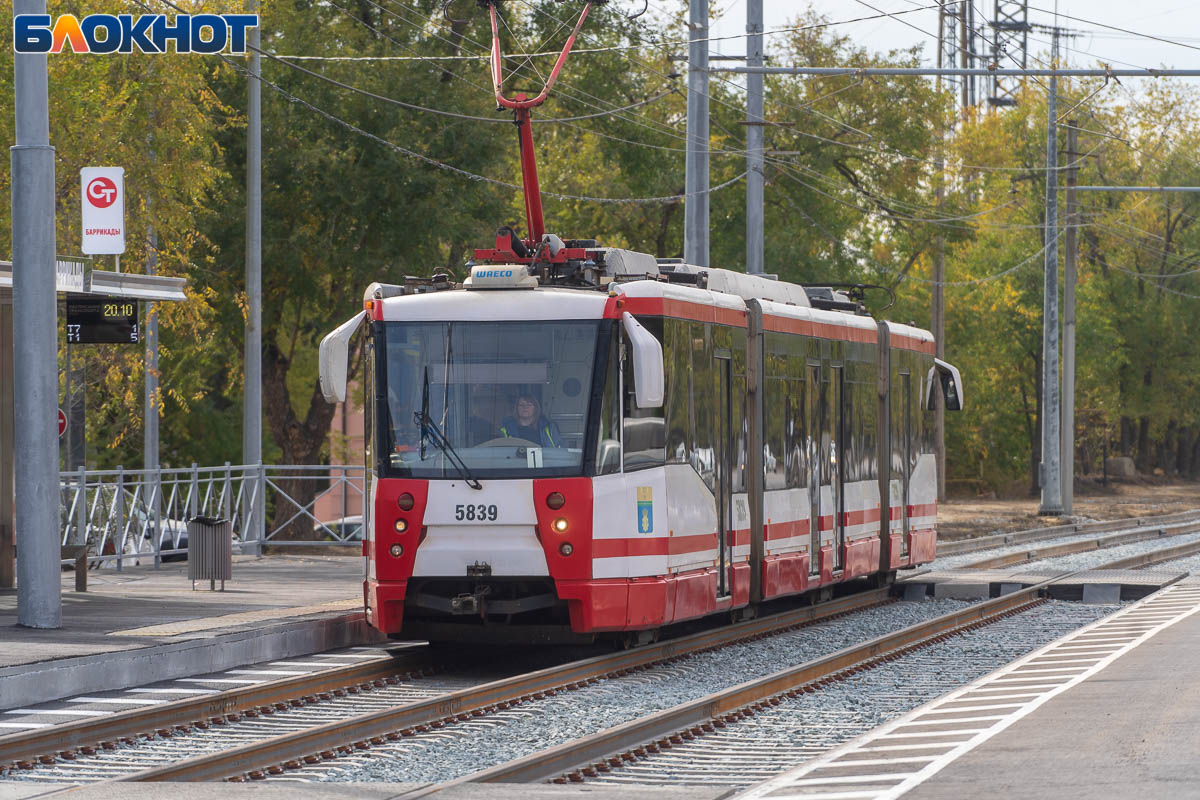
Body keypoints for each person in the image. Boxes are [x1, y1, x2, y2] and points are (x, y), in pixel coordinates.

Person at [499, 393, 564, 447]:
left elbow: (560, 449)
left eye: (529, 405)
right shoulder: (506, 428)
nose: (525, 407)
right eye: (521, 405)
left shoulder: (549, 427)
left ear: (535, 408)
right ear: (516, 408)